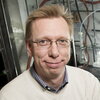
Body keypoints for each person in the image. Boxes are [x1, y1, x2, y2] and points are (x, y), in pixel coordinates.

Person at [0, 4, 100, 100]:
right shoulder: (9, 96)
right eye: (43, 42)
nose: (54, 53)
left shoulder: (89, 84)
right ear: (29, 48)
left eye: (62, 41)